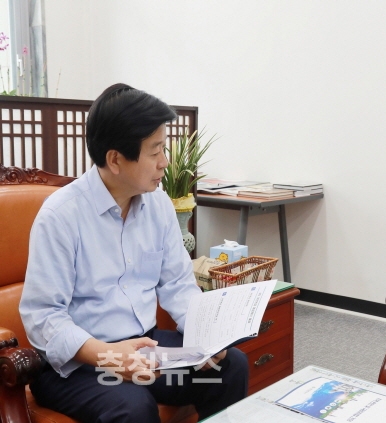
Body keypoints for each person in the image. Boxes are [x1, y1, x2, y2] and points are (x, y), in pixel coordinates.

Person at [19, 83, 249, 423]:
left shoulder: (158, 204)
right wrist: (107, 355)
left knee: (229, 367)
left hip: (145, 348)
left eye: (163, 149)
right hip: (80, 364)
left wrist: (206, 337)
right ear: (115, 159)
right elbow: (43, 318)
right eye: (155, 152)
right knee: (133, 405)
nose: (164, 162)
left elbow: (178, 285)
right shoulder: (60, 216)